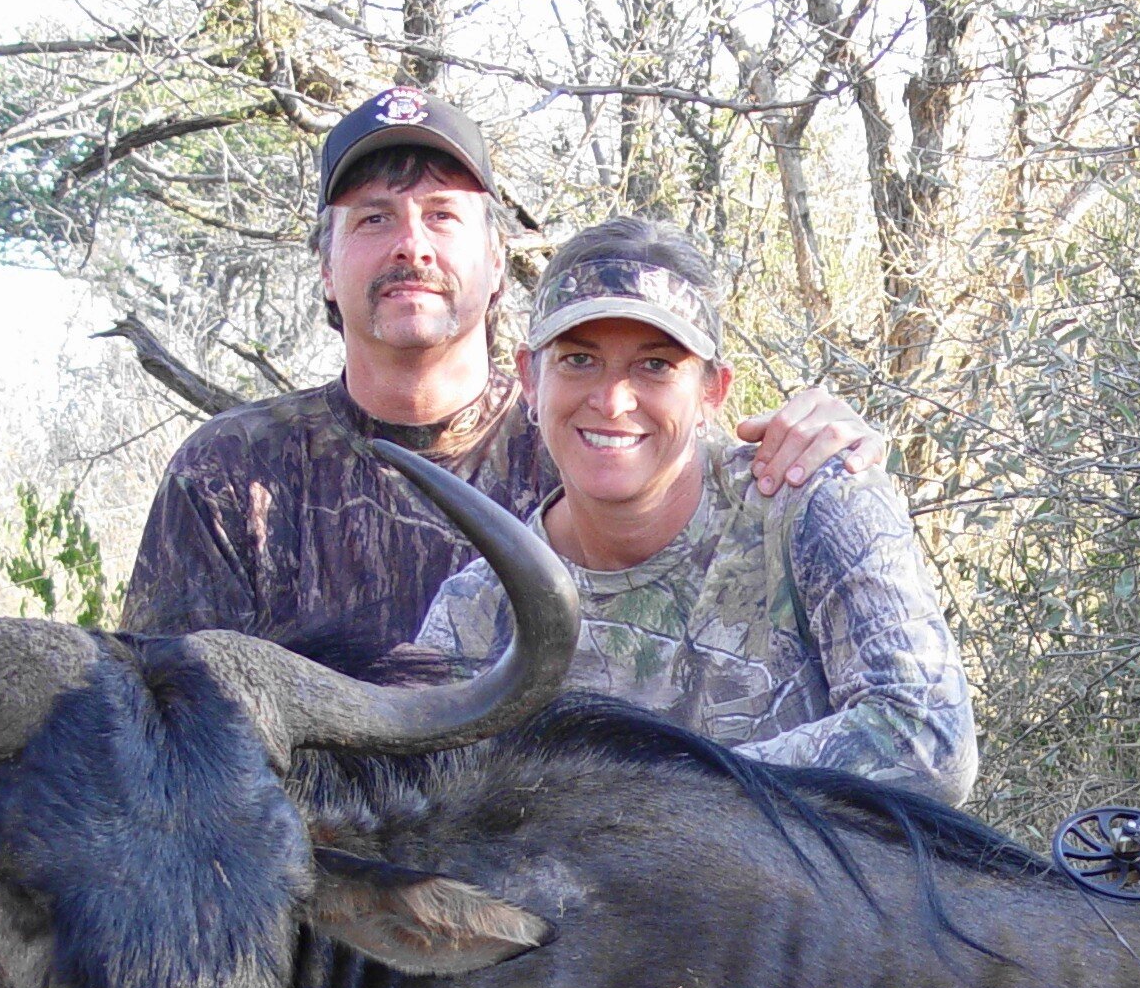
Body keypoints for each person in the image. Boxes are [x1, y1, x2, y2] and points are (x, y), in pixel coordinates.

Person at [123, 87, 886, 648]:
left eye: (443, 216)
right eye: (373, 219)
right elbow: (158, 725)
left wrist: (827, 452)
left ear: (495, 262)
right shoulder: (229, 475)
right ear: (325, 265)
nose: (411, 247)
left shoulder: (591, 437)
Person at [415, 217, 976, 803]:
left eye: (655, 365)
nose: (612, 400)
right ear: (530, 379)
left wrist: (649, 797)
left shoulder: (812, 502)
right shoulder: (476, 611)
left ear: (713, 390)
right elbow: (425, 811)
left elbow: (930, 741)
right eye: (579, 360)